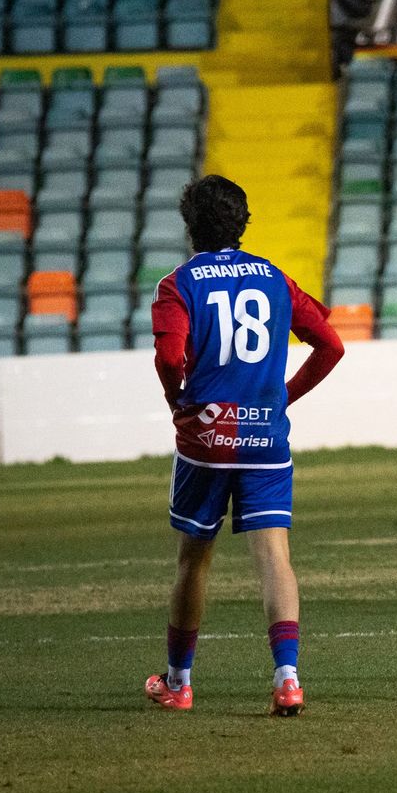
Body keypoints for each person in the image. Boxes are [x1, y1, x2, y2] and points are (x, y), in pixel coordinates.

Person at [145, 174, 345, 716]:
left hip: (207, 439)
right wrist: (282, 397)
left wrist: (176, 399)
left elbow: (169, 356)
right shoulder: (275, 278)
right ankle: (288, 679)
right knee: (275, 557)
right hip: (266, 439)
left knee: (194, 561)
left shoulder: (178, 284)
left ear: (191, 225)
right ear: (243, 222)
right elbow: (330, 344)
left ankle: (179, 683)